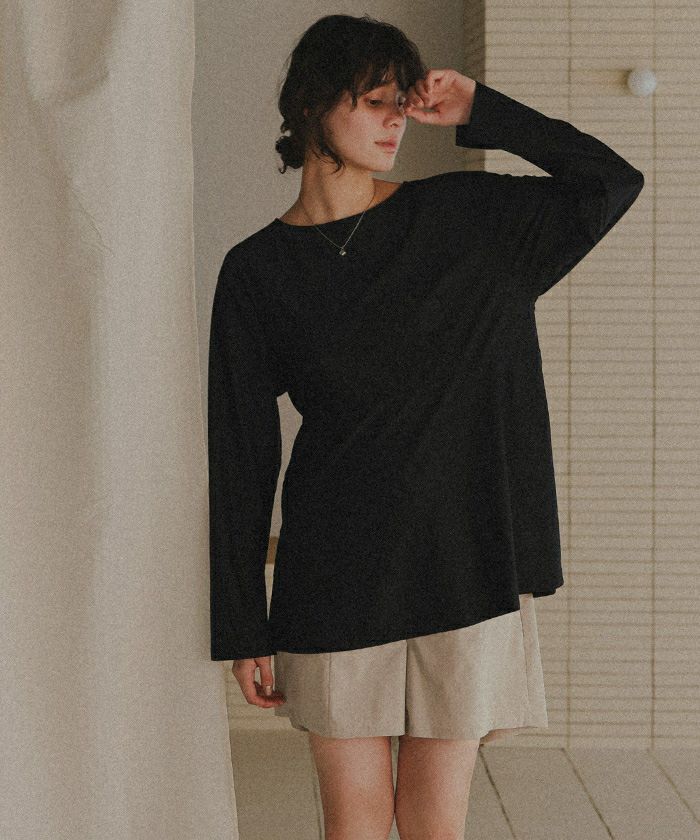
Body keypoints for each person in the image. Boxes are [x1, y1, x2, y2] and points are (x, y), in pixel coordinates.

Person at [207, 13, 644, 840]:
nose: (395, 122)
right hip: (335, 574)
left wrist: (486, 110)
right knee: (354, 824)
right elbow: (239, 454)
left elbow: (610, 183)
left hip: (467, 562)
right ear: (311, 105)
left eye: (400, 103)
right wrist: (241, 624)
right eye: (373, 102)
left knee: (435, 825)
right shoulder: (258, 272)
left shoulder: (471, 220)